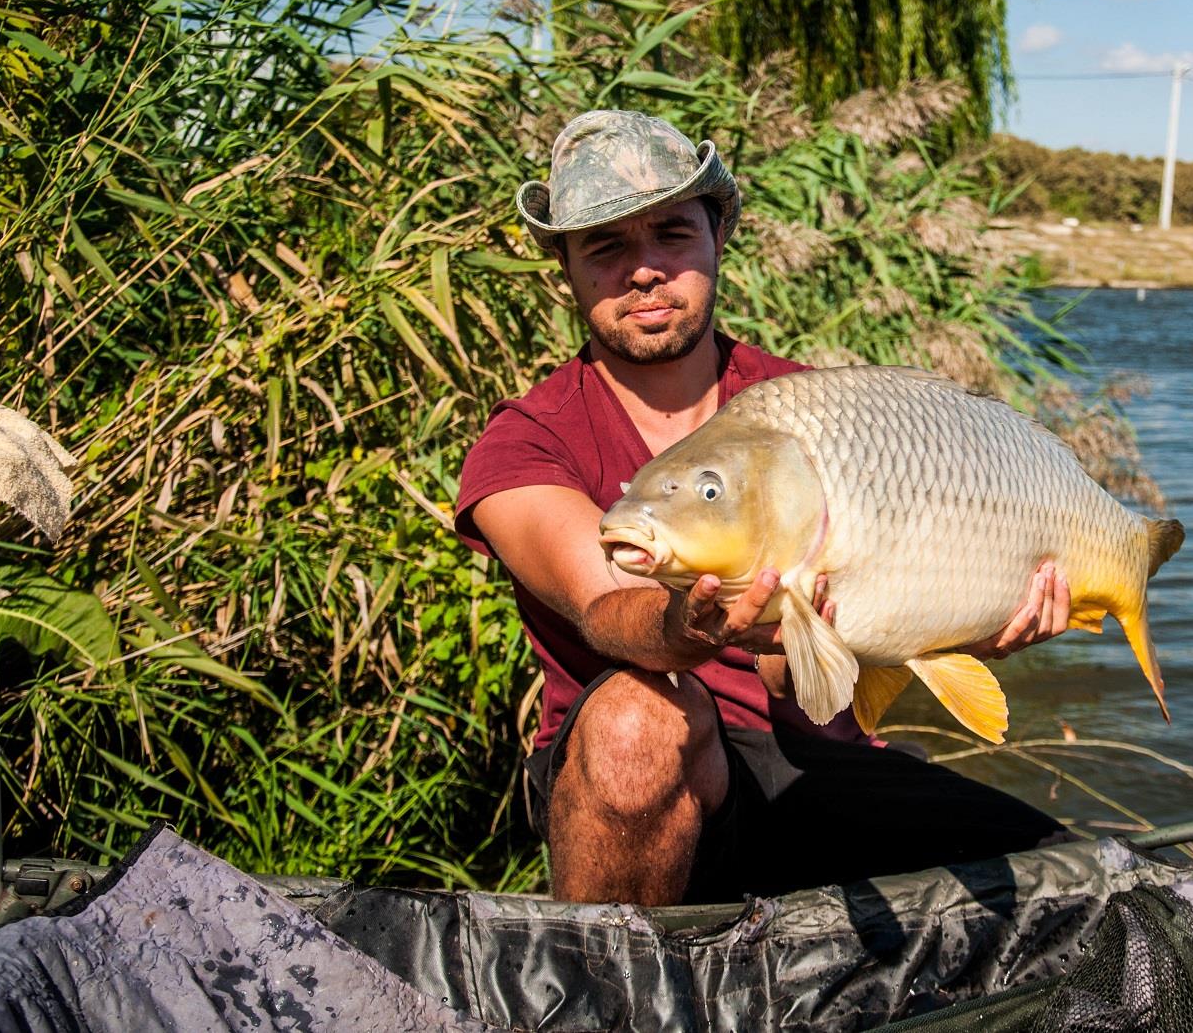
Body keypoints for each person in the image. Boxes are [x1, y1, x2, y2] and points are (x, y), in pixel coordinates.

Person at [456, 110, 1070, 907]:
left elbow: (807, 677)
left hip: (820, 760)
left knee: (1075, 886)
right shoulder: (527, 441)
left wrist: (972, 617)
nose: (644, 269)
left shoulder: (816, 413)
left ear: (718, 238)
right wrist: (686, 630)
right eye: (605, 246)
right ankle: (611, 996)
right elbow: (604, 605)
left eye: (672, 233)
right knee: (637, 719)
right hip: (647, 785)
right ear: (566, 267)